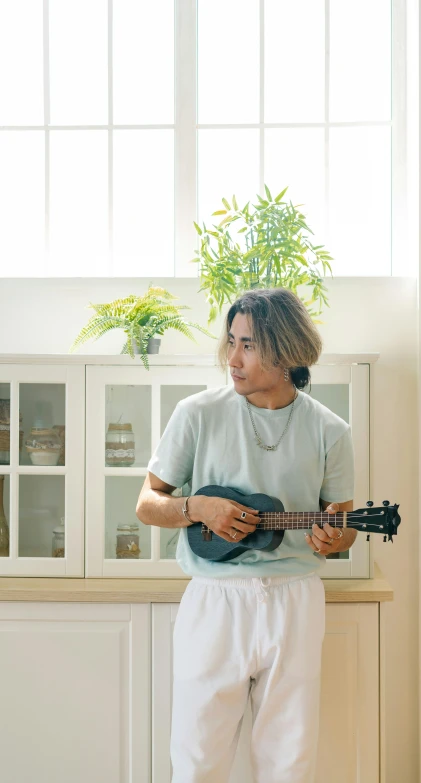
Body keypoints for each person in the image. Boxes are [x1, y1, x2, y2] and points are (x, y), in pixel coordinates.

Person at [136, 287, 356, 783]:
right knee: (196, 758)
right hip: (214, 600)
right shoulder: (197, 414)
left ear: (286, 353)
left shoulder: (331, 431)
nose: (232, 358)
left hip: (295, 602)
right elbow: (147, 505)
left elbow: (342, 526)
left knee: (289, 762)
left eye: (249, 345)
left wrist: (334, 539)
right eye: (231, 341)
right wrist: (197, 508)